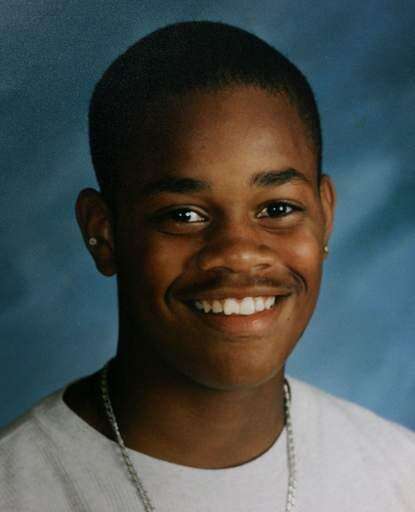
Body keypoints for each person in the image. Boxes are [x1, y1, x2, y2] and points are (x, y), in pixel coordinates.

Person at [0, 20, 414, 512]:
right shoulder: (17, 488)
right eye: (183, 215)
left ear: (324, 217)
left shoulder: (397, 473)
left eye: (277, 208)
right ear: (104, 233)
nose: (238, 252)